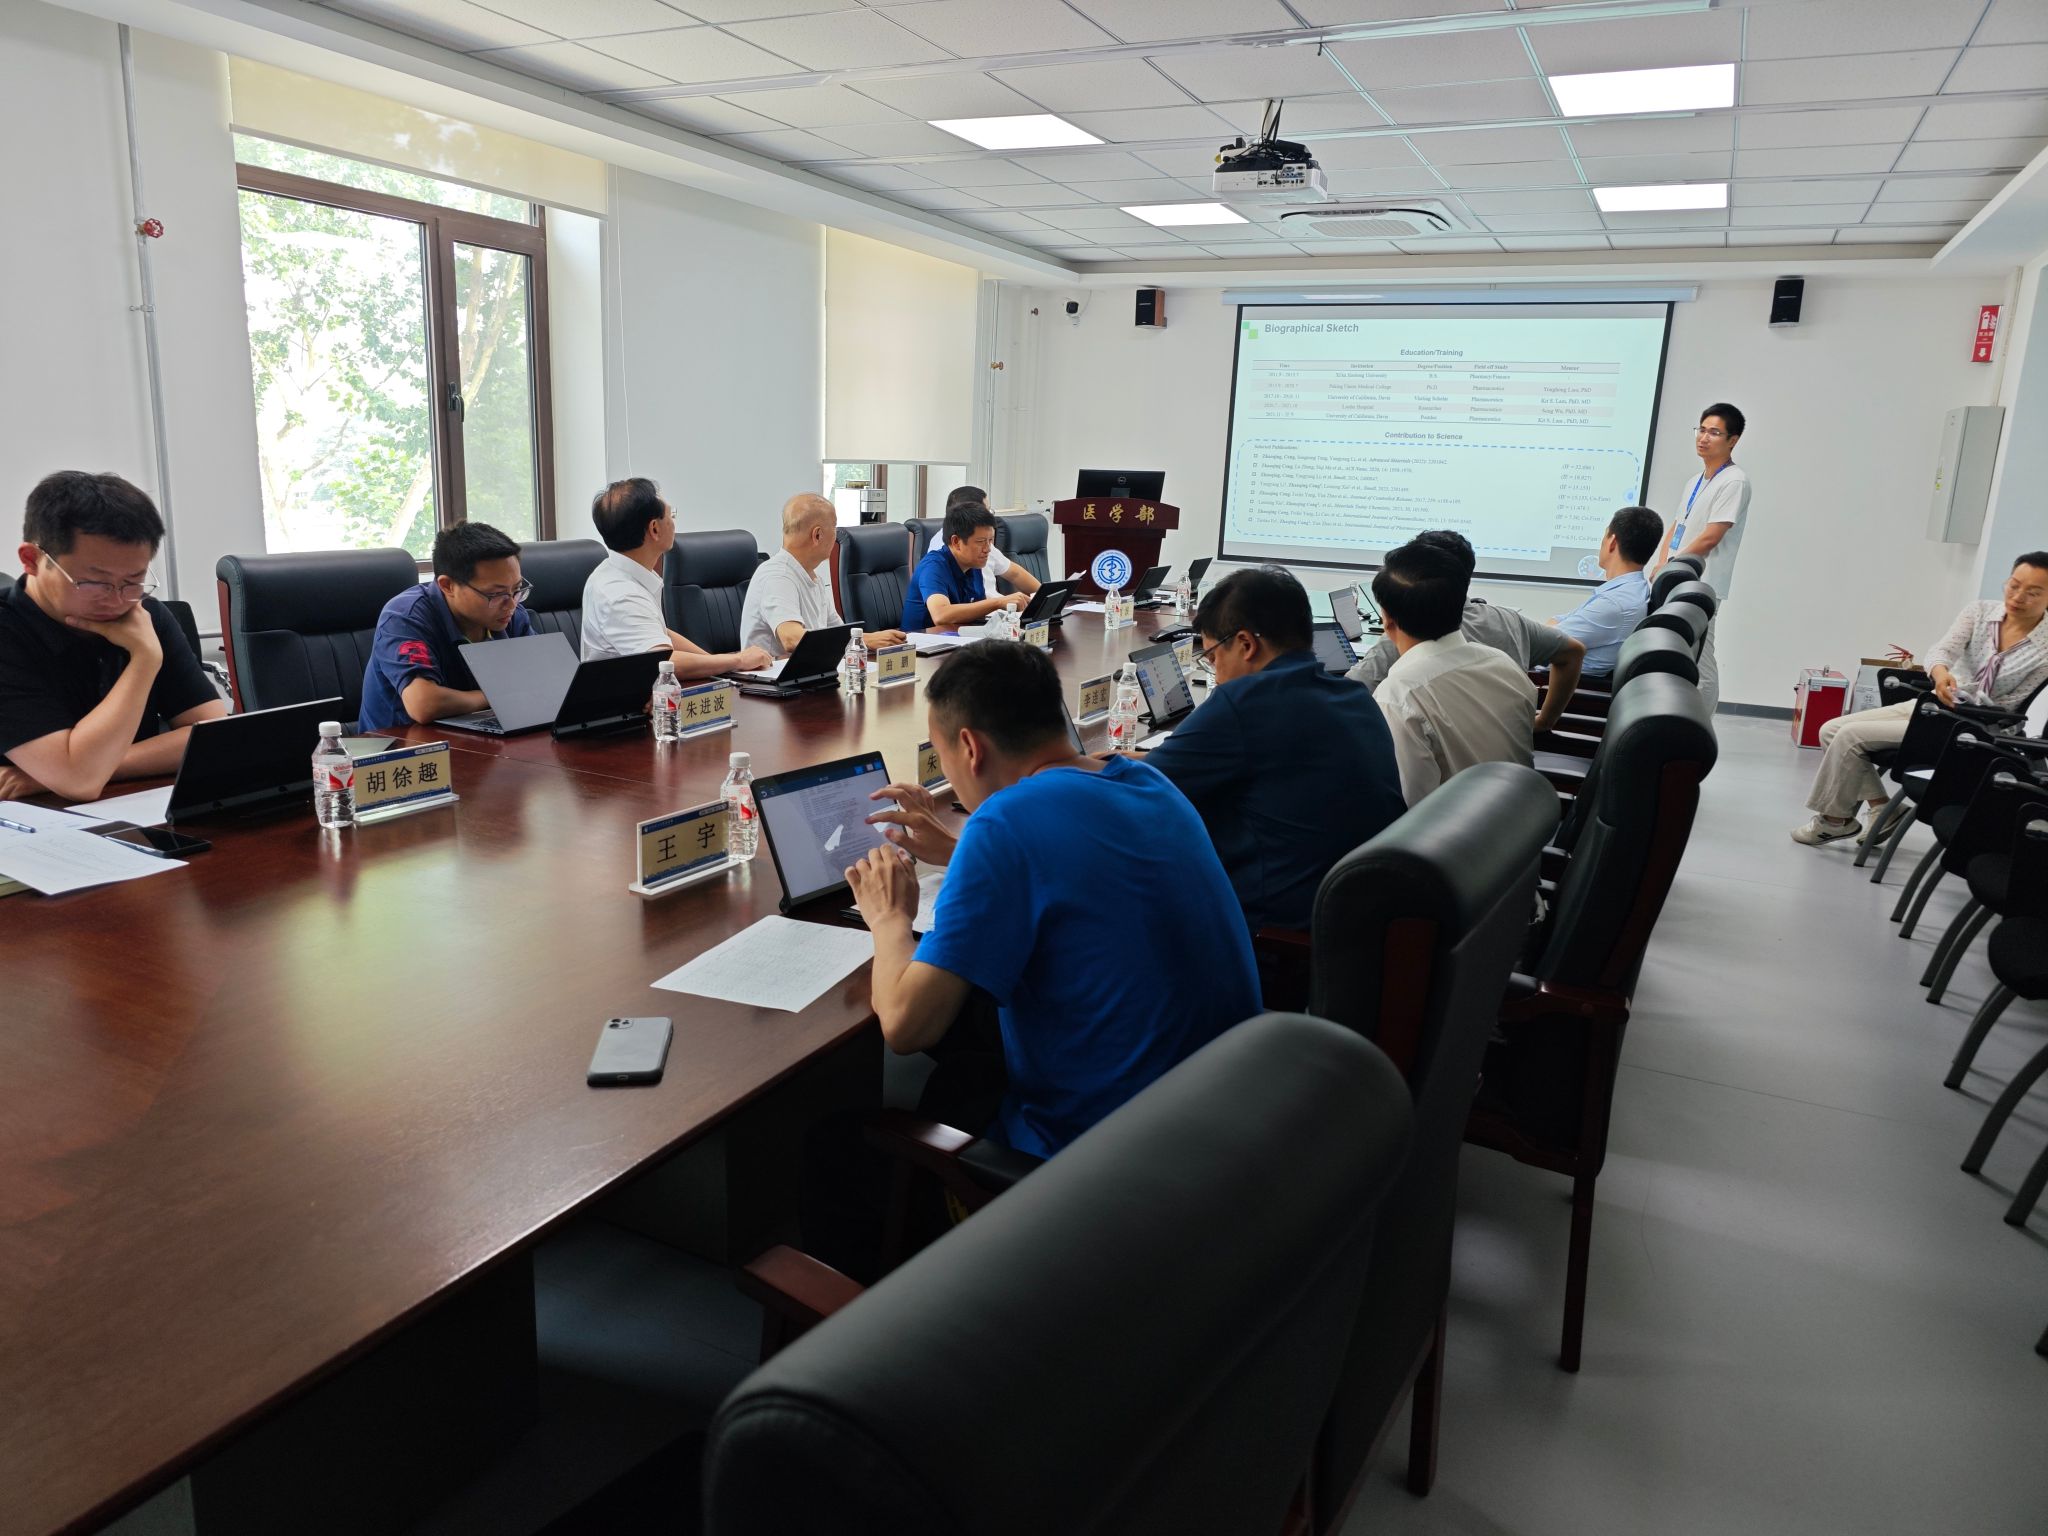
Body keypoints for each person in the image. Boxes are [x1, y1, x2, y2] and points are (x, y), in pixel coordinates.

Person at [848, 640, 1261, 1161]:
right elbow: (1071, 859)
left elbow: (905, 1026)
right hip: (1226, 1120)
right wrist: (961, 851)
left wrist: (888, 916)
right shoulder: (1147, 781)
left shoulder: (1005, 824)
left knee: (845, 1142)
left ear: (970, 748)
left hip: (1107, 1163)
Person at [1139, 568, 1405, 930]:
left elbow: (1142, 789)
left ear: (1246, 644)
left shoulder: (1244, 702)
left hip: (1283, 925)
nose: (1216, 674)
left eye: (1213, 657)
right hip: (1362, 914)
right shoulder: (1353, 695)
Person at [0, 470, 227, 803]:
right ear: (32, 560)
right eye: (95, 582)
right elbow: (80, 782)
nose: (117, 599)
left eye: (133, 581)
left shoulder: (146, 617)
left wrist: (86, 768)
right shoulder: (8, 632)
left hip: (126, 807)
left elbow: (213, 737)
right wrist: (145, 659)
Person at [1793, 554, 2048, 845]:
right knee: (1830, 729)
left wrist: (1966, 702)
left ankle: (1834, 821)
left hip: (1974, 728)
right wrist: (1941, 675)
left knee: (1850, 736)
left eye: (2033, 592)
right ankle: (1882, 808)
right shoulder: (1979, 612)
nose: (2018, 596)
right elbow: (1941, 651)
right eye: (2014, 585)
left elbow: (2012, 705)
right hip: (1935, 704)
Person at [1349, 530, 1584, 731]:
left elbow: (1348, 696)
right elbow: (1573, 651)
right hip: (1509, 763)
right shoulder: (1510, 621)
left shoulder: (1407, 637)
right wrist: (1545, 720)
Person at [1369, 533, 1538, 804]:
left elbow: (1411, 807)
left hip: (1457, 830)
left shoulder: (1399, 696)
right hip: (1518, 816)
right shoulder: (1503, 664)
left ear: (1387, 620)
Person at [580, 477, 771, 675]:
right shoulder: (620, 594)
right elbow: (663, 663)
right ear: (654, 529)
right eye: (671, 515)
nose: (674, 522)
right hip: (628, 695)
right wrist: (738, 660)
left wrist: (719, 664)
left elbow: (660, 633)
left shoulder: (616, 571)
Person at [358, 521, 535, 731]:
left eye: (517, 589)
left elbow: (545, 680)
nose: (511, 604)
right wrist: (500, 696)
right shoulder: (405, 617)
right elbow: (424, 704)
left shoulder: (511, 614)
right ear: (448, 585)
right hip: (406, 746)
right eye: (495, 594)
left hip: (482, 737)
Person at [1649, 403, 1750, 714]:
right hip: (1676, 578)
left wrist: (1672, 566)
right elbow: (1677, 526)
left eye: (1714, 432)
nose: (1704, 438)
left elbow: (1711, 537)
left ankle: (1701, 725)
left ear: (1733, 440)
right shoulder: (1695, 481)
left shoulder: (1734, 481)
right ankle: (1678, 716)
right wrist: (1662, 564)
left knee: (1701, 657)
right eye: (1701, 430)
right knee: (1678, 651)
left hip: (1702, 584)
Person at [738, 493, 905, 659]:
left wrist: (873, 639)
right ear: (817, 535)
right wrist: (864, 640)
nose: (836, 535)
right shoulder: (777, 576)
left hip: (811, 669)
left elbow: (837, 633)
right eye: (834, 527)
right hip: (776, 675)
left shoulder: (812, 577)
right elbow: (791, 638)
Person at [1550, 506, 1661, 677]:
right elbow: (1556, 624)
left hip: (1551, 681)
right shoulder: (1630, 590)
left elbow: (1545, 643)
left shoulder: (1615, 603)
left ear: (1612, 542)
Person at [899, 502, 1028, 633]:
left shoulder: (973, 565)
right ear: (956, 542)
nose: (988, 549)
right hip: (920, 642)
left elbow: (975, 613)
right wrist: (998, 602)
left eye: (990, 541)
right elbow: (940, 614)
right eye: (980, 542)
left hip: (959, 636)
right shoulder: (933, 566)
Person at [924, 485, 1040, 597]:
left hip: (996, 606)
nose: (987, 549)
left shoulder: (983, 542)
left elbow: (1015, 573)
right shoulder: (943, 551)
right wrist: (1003, 603)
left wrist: (1044, 596)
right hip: (985, 608)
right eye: (987, 511)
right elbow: (949, 606)